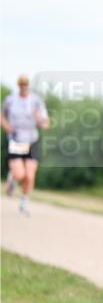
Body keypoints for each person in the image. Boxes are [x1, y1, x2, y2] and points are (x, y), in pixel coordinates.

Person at [2, 75, 50, 215]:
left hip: (32, 140)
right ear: (18, 86)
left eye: (26, 84)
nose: (24, 86)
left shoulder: (36, 101)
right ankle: (13, 178)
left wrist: (41, 121)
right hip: (17, 140)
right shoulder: (10, 100)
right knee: (20, 174)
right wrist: (7, 126)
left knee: (29, 175)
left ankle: (24, 200)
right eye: (21, 84)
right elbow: (2, 116)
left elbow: (45, 122)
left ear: (29, 85)